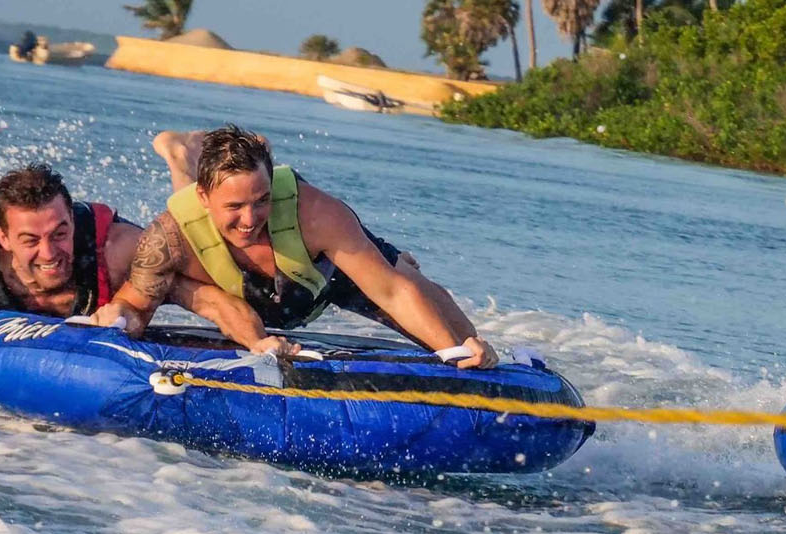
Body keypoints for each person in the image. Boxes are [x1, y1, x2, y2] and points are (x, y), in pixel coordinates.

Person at [91, 125, 496, 366]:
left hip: (325, 275)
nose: (251, 219)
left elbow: (390, 291)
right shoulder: (167, 237)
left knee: (444, 318)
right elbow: (134, 306)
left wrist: (456, 351)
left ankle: (402, 260)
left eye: (261, 201)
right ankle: (182, 158)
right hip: (239, 284)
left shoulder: (316, 212)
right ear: (205, 195)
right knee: (197, 226)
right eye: (237, 206)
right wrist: (115, 318)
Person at [0, 164, 145, 330]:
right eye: (30, 240)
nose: (49, 252)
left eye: (59, 234)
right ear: (4, 238)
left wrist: (133, 307)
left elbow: (179, 261)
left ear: (72, 221)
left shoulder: (118, 249)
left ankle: (178, 158)